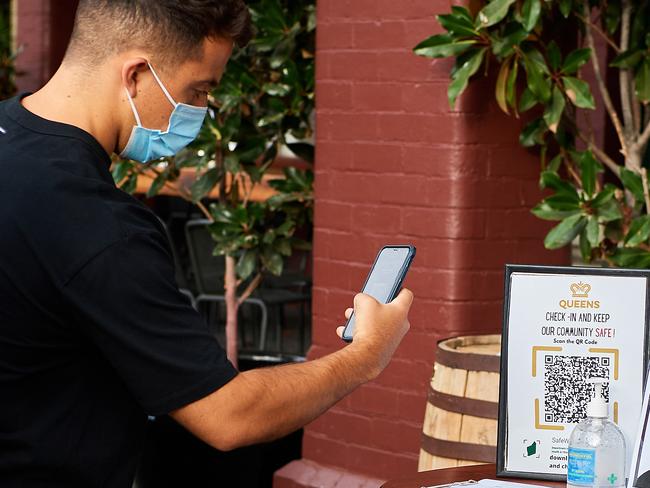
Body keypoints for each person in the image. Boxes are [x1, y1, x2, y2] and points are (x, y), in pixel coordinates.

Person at [0, 1, 414, 487]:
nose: (200, 112)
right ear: (135, 75)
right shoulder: (99, 227)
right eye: (197, 91)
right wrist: (367, 354)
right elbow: (229, 415)